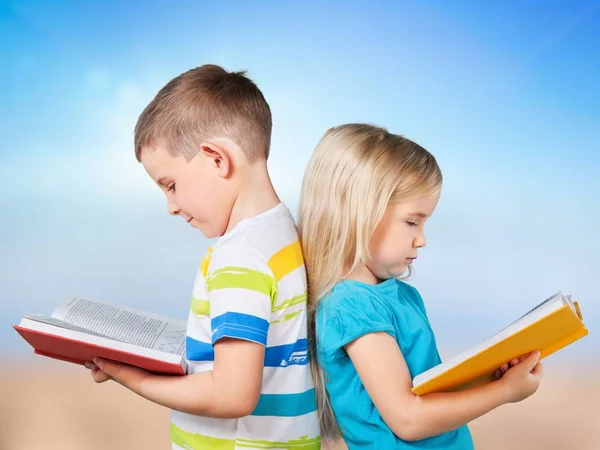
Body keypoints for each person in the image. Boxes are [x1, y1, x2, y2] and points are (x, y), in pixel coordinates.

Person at [85, 64, 321, 450]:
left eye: (171, 185)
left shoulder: (239, 257)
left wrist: (132, 377)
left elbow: (231, 396)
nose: (171, 207)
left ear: (216, 159)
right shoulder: (282, 233)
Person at [298, 123, 543, 449]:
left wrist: (489, 378)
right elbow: (408, 419)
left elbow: (428, 392)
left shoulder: (401, 296)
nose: (422, 239)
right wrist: (504, 392)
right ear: (358, 214)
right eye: (412, 222)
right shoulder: (351, 305)